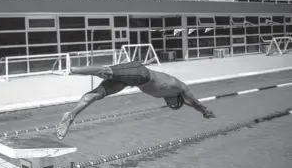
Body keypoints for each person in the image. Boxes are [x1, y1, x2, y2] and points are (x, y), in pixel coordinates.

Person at [57, 61, 216, 140]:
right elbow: (194, 102)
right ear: (178, 98)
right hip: (141, 73)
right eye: (174, 104)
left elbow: (187, 105)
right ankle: (74, 69)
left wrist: (194, 108)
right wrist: (204, 111)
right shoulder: (179, 87)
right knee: (106, 71)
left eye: (171, 107)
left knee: (95, 95)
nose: (170, 105)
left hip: (129, 82)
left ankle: (69, 117)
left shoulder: (166, 95)